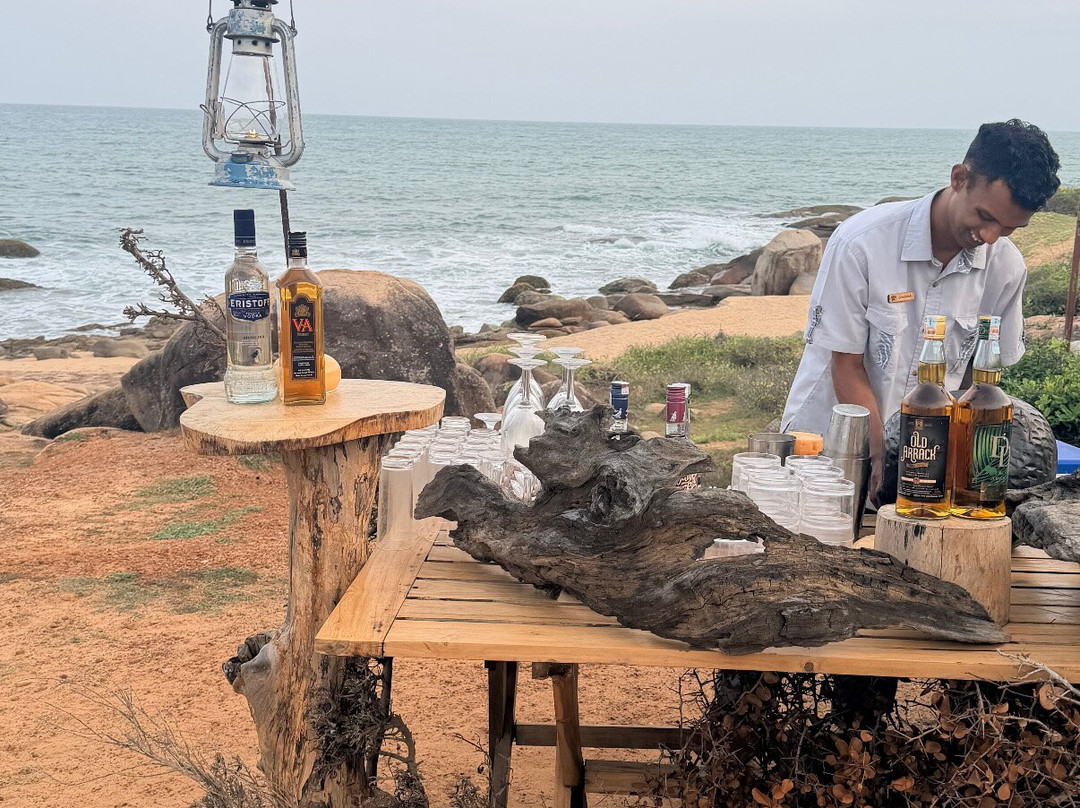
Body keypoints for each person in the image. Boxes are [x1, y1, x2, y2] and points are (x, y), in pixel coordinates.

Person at [780, 119, 1061, 500]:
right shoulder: (861, 243)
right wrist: (881, 459)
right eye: (985, 217)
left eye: (1009, 228)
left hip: (923, 470)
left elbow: (976, 385)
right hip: (826, 451)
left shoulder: (1006, 267)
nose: (991, 237)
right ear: (959, 178)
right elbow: (845, 364)